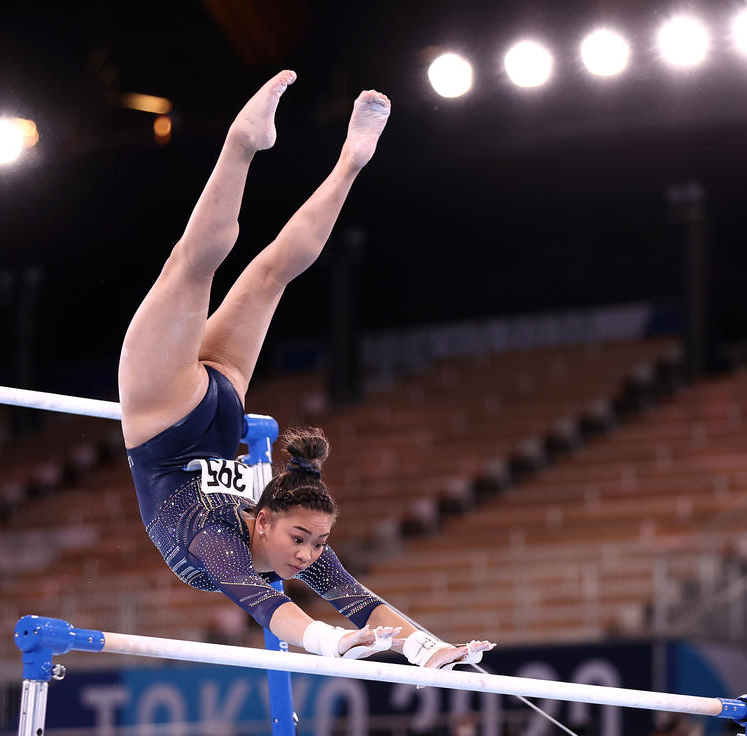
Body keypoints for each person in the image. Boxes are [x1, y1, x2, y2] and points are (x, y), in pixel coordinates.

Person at [120, 70, 494, 667]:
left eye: (311, 543)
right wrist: (404, 645)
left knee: (195, 267)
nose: (309, 555)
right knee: (263, 274)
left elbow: (271, 609)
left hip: (162, 416)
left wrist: (375, 645)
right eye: (308, 541)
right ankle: (338, 159)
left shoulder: (216, 544)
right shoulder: (279, 535)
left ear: (262, 522)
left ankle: (280, 151)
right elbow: (358, 604)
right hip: (218, 406)